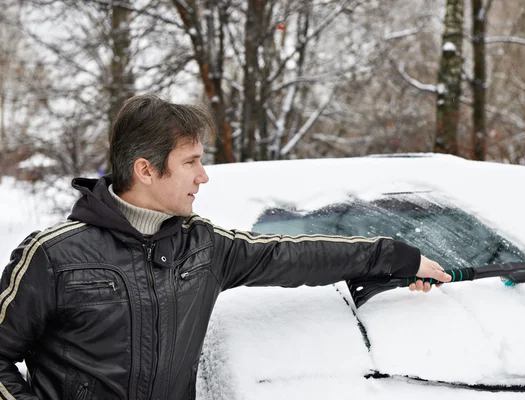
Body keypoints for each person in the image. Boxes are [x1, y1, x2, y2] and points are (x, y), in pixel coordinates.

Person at [0, 93, 451, 399]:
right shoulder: (53, 255)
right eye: (191, 162)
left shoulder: (203, 247)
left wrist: (396, 257)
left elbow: (292, 255)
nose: (203, 175)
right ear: (145, 169)